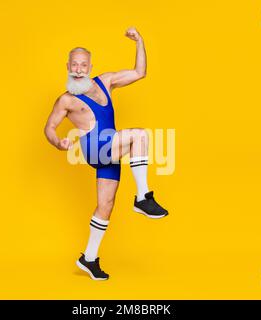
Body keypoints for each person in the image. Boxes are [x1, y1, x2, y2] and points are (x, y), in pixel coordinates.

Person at [44, 27, 168, 281]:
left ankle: (88, 258)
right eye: (74, 65)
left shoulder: (106, 82)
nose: (78, 69)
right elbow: (49, 127)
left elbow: (139, 72)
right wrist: (58, 142)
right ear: (68, 66)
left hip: (111, 149)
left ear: (90, 67)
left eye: (83, 65)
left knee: (105, 206)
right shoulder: (66, 100)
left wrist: (140, 42)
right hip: (94, 146)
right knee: (140, 135)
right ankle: (143, 197)